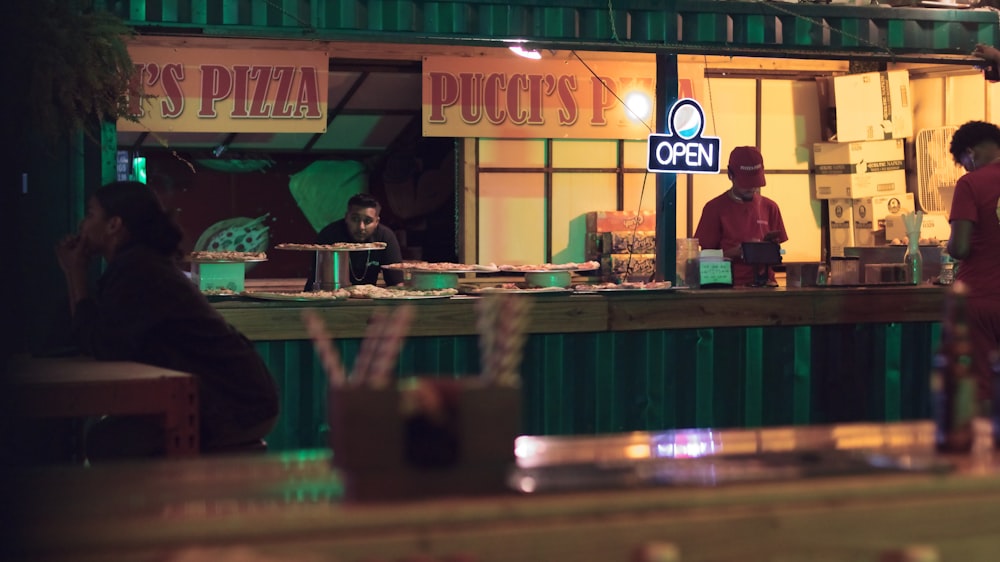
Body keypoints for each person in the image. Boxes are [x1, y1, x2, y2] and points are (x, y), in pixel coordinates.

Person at [55, 181, 280, 460]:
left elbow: (101, 345)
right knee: (107, 435)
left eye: (90, 214)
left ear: (114, 224)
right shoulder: (139, 264)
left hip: (236, 406)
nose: (82, 224)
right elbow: (101, 340)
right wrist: (73, 272)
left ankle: (165, 502)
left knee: (106, 440)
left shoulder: (139, 270)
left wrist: (75, 273)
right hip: (239, 398)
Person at [946, 120, 1000, 407]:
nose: (967, 169)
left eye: (964, 163)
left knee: (980, 389)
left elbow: (960, 247)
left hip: (979, 301)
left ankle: (982, 451)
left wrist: (949, 244)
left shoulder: (971, 183)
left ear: (971, 152)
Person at [694, 146, 788, 287]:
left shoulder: (770, 207)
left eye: (755, 183)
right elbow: (705, 258)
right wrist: (737, 251)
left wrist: (769, 249)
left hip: (767, 285)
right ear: (730, 175)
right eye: (745, 183)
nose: (751, 188)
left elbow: (779, 251)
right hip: (729, 286)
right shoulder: (714, 208)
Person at [305, 192, 405, 289]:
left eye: (367, 221)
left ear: (376, 222)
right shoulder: (329, 235)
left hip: (367, 300)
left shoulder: (385, 237)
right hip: (331, 297)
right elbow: (316, 281)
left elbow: (396, 284)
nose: (361, 227)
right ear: (346, 217)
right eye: (355, 219)